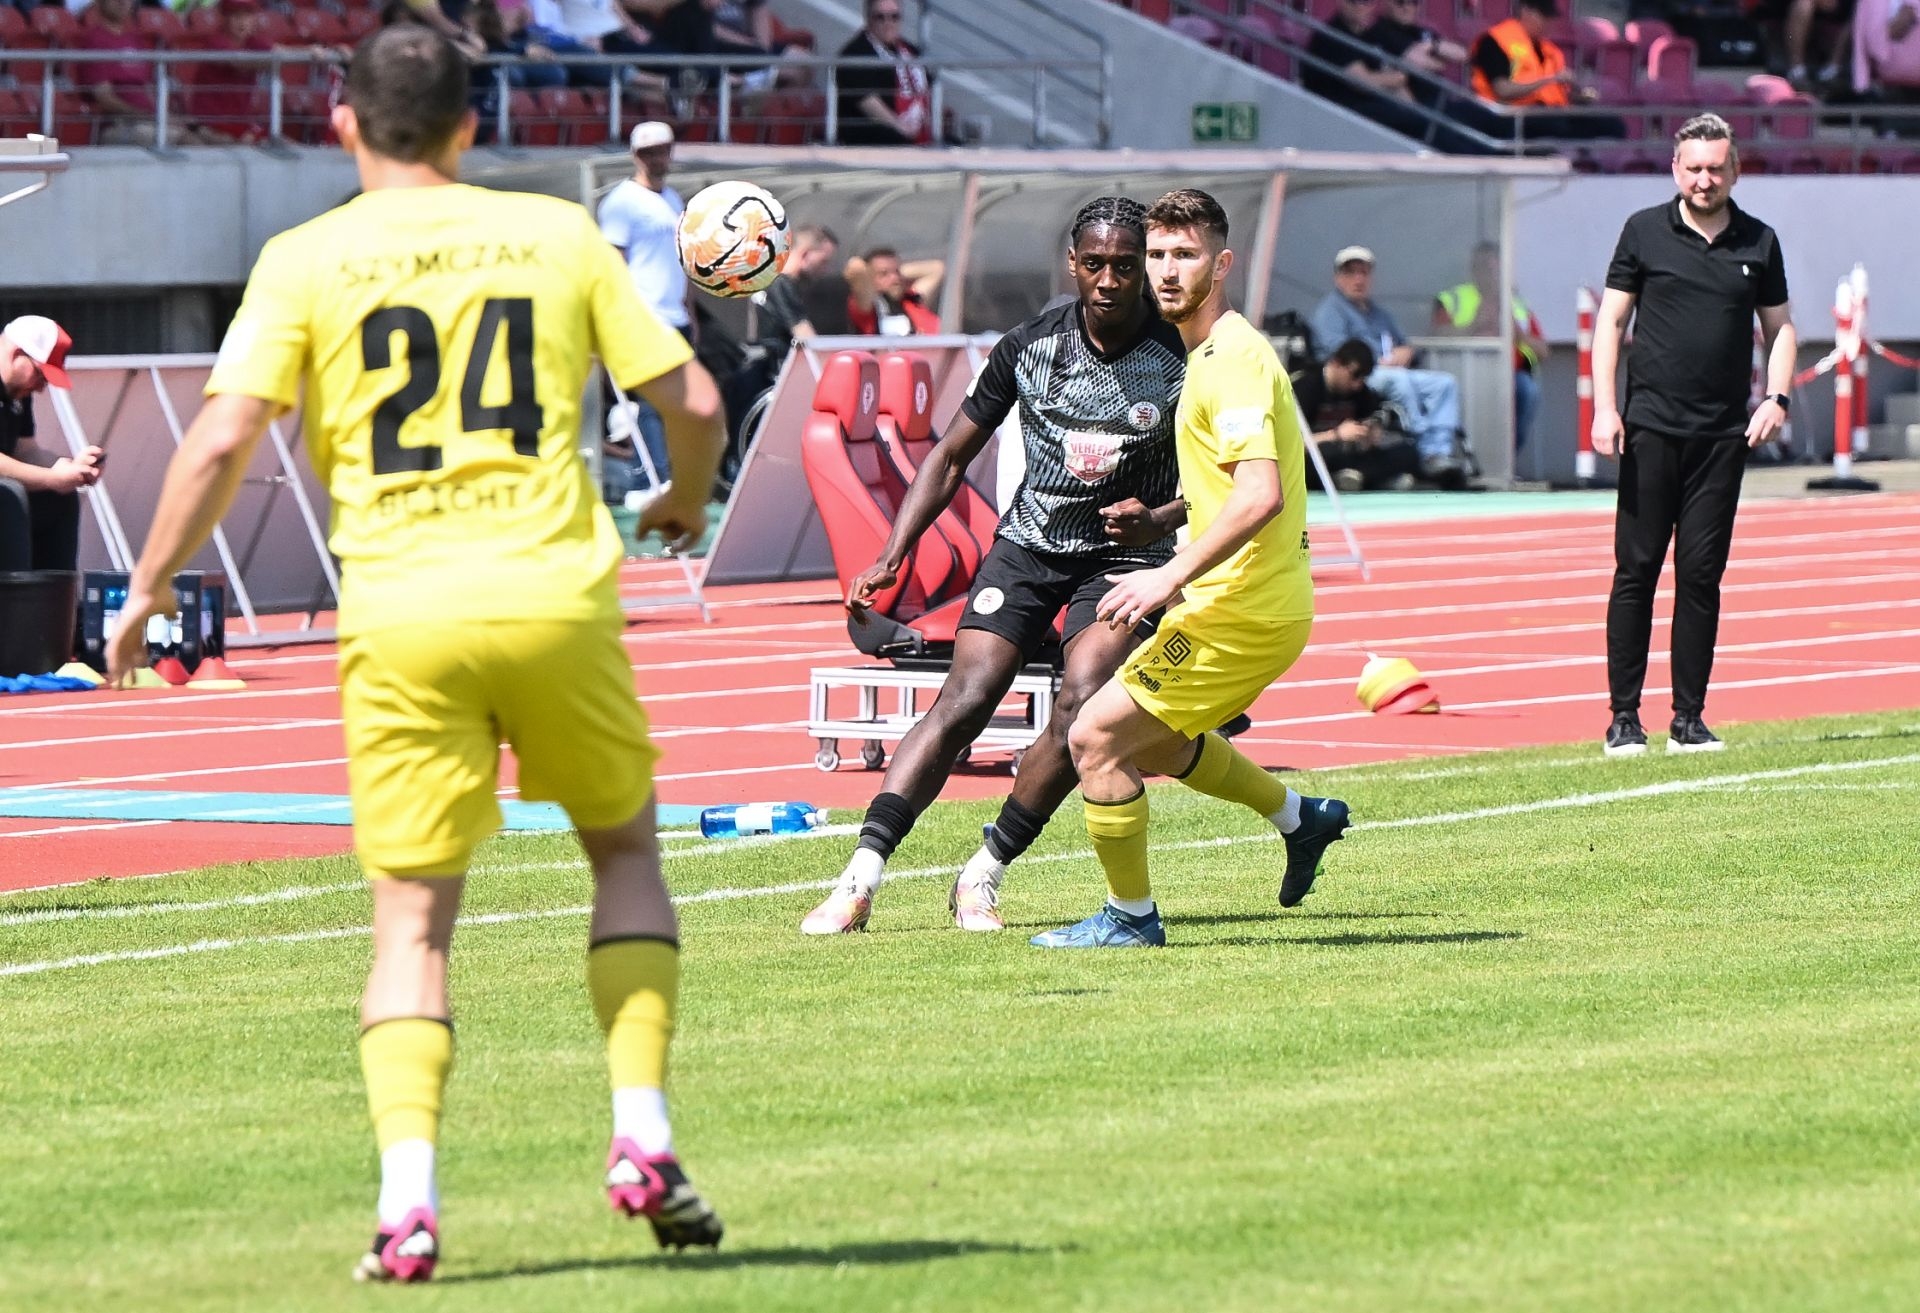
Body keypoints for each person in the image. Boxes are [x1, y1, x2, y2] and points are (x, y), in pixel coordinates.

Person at [102, 27, 728, 1281]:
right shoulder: (557, 233)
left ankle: (408, 1205)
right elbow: (697, 402)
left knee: (412, 921)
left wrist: (150, 584)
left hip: (400, 613)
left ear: (342, 122)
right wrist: (681, 497)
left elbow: (221, 437)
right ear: (469, 126)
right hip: (553, 594)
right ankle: (643, 1132)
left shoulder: (304, 257)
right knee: (622, 853)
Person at [800, 197, 1189, 936]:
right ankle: (859, 878)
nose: (1109, 280)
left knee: (1081, 704)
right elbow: (950, 455)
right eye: (1095, 264)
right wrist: (893, 553)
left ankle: (983, 872)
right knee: (968, 695)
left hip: (1124, 559)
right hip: (1030, 545)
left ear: (1145, 268)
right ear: (1072, 263)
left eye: (1124, 266)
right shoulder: (1028, 346)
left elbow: (1222, 481)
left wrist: (1161, 519)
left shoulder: (1182, 356)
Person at [1032, 188, 1350, 950]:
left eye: (1186, 254)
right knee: (1155, 741)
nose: (1167, 271)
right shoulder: (1209, 353)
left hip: (1242, 610)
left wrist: (1167, 575)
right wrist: (1168, 528)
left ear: (1222, 263)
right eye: (1158, 255)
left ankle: (1131, 917)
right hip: (1237, 601)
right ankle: (1300, 818)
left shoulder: (1231, 359)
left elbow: (1260, 494)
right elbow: (1224, 489)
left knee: (1095, 738)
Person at [1591, 113, 1794, 756]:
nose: (1704, 179)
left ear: (1735, 171)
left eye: (1716, 168)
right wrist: (1605, 408)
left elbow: (1781, 328)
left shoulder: (1759, 241)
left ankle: (1689, 719)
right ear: (1675, 169)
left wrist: (1777, 398)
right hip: (1650, 429)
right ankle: (1624, 718)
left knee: (1702, 575)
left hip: (1722, 437)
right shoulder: (1643, 231)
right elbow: (1610, 323)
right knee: (1637, 571)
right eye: (1694, 168)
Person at [1310, 245, 1469, 486]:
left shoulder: (1378, 313)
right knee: (1398, 380)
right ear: (1338, 278)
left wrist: (1407, 352)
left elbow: (1404, 345)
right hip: (1361, 374)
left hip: (1391, 371)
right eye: (1351, 273)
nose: (1358, 279)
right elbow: (1340, 355)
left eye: (1364, 273)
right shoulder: (1330, 311)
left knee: (1445, 383)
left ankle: (1439, 451)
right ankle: (1423, 449)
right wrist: (1378, 360)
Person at [598, 120, 689, 486]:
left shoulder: (673, 199)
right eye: (649, 152)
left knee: (677, 404)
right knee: (652, 402)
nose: (657, 158)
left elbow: (682, 260)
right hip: (645, 315)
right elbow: (613, 266)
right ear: (636, 156)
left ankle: (666, 479)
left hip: (675, 315)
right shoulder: (621, 202)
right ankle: (653, 480)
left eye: (662, 150)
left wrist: (691, 312)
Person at [0, 316, 101, 574]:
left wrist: (71, 469)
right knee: (9, 495)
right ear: (17, 354)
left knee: (59, 499)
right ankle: (15, 597)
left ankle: (51, 596)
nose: (40, 389)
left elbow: (25, 451)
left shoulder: (16, 392)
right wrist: (50, 478)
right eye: (40, 375)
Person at [1432, 240, 1549, 450]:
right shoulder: (1454, 298)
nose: (1489, 274)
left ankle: (1508, 453)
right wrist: (1473, 326)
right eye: (1483, 267)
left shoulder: (1516, 303)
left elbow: (1543, 351)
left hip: (1511, 376)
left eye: (1494, 268)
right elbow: (1436, 336)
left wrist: (1517, 334)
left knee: (1527, 391)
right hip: (1465, 373)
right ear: (1473, 269)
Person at [1468, 0, 1626, 141]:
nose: (1549, 23)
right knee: (1554, 125)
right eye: (1544, 16)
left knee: (1611, 124)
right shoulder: (1495, 41)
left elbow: (1556, 93)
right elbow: (1503, 90)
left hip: (1550, 113)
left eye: (1550, 17)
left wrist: (1578, 95)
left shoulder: (1549, 50)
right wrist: (1549, 80)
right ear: (1526, 11)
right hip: (1510, 116)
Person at [1293, 337, 1422, 492]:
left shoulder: (1360, 392)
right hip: (1317, 455)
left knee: (1408, 452)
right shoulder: (1306, 387)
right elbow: (1292, 444)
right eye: (1354, 375)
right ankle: (1363, 479)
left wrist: (1371, 431)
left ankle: (1353, 478)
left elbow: (1375, 414)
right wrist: (1335, 435)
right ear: (1336, 364)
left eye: (1363, 377)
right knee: (1319, 456)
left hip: (1349, 456)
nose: (1357, 384)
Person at [836, 0, 933, 145]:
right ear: (868, 19)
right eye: (880, 17)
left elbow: (929, 91)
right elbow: (869, 103)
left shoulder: (911, 51)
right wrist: (902, 128)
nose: (888, 23)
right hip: (873, 138)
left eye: (894, 17)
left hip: (916, 134)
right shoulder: (854, 55)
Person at [844, 247, 943, 336]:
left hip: (942, 343)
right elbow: (856, 267)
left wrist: (893, 272)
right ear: (869, 278)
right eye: (883, 274)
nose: (895, 278)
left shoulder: (911, 299)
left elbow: (937, 268)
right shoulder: (871, 307)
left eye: (897, 271)